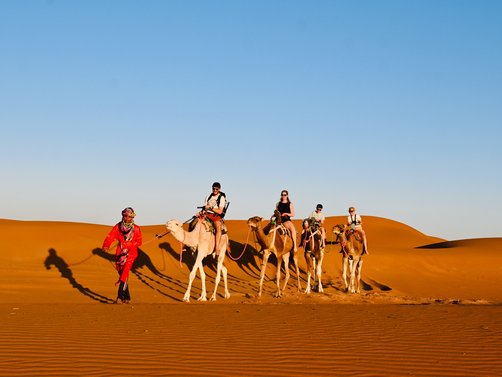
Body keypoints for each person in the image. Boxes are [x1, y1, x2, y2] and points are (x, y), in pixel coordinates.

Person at [102, 207, 142, 303]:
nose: (127, 218)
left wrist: (128, 244)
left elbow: (139, 242)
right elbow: (110, 236)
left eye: (129, 216)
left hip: (131, 253)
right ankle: (127, 297)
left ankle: (120, 294)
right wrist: (106, 245)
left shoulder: (136, 228)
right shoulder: (118, 227)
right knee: (121, 272)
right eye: (126, 216)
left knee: (125, 272)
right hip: (120, 253)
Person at [203, 182, 226, 256]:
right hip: (206, 214)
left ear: (219, 189)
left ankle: (216, 248)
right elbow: (204, 207)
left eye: (216, 189)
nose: (215, 190)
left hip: (216, 216)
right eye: (213, 188)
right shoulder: (208, 196)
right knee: (194, 222)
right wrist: (201, 212)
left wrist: (211, 208)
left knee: (218, 229)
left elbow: (220, 211)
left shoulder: (221, 197)